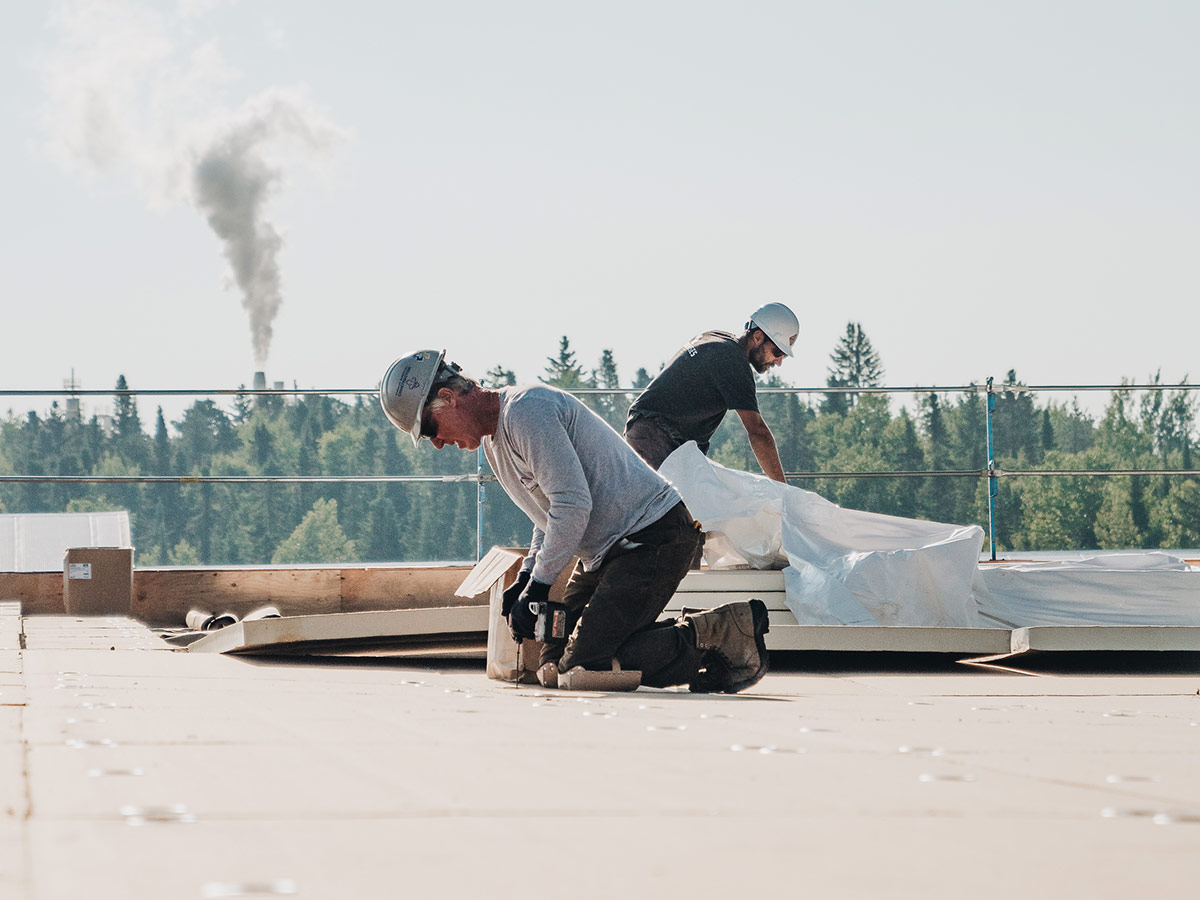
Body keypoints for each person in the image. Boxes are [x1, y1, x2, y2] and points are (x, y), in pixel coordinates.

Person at [378, 349, 770, 693]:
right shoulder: (495, 441)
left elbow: (572, 505)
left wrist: (541, 585)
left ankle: (727, 631)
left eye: (429, 429)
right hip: (606, 553)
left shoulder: (527, 412)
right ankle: (687, 639)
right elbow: (549, 514)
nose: (436, 442)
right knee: (553, 662)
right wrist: (528, 579)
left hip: (653, 537)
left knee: (586, 666)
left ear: (448, 397)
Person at [624, 302, 799, 482]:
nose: (778, 361)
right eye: (777, 352)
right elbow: (757, 431)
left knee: (699, 507)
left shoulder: (716, 338)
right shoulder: (733, 361)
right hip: (657, 437)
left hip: (653, 434)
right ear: (758, 336)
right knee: (663, 509)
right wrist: (783, 491)